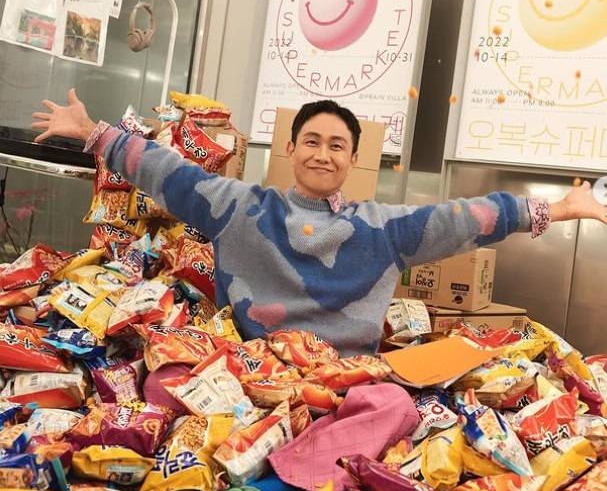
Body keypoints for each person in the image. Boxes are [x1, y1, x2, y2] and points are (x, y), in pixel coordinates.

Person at [32, 90, 607, 355]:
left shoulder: (384, 228)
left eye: (337, 146)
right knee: (164, 378)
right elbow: (170, 173)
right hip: (250, 372)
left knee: (390, 405)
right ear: (291, 149)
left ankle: (272, 488)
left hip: (344, 384)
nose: (323, 154)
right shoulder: (242, 207)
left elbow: (462, 219)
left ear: (351, 159)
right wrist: (94, 133)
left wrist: (557, 209)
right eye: (312, 141)